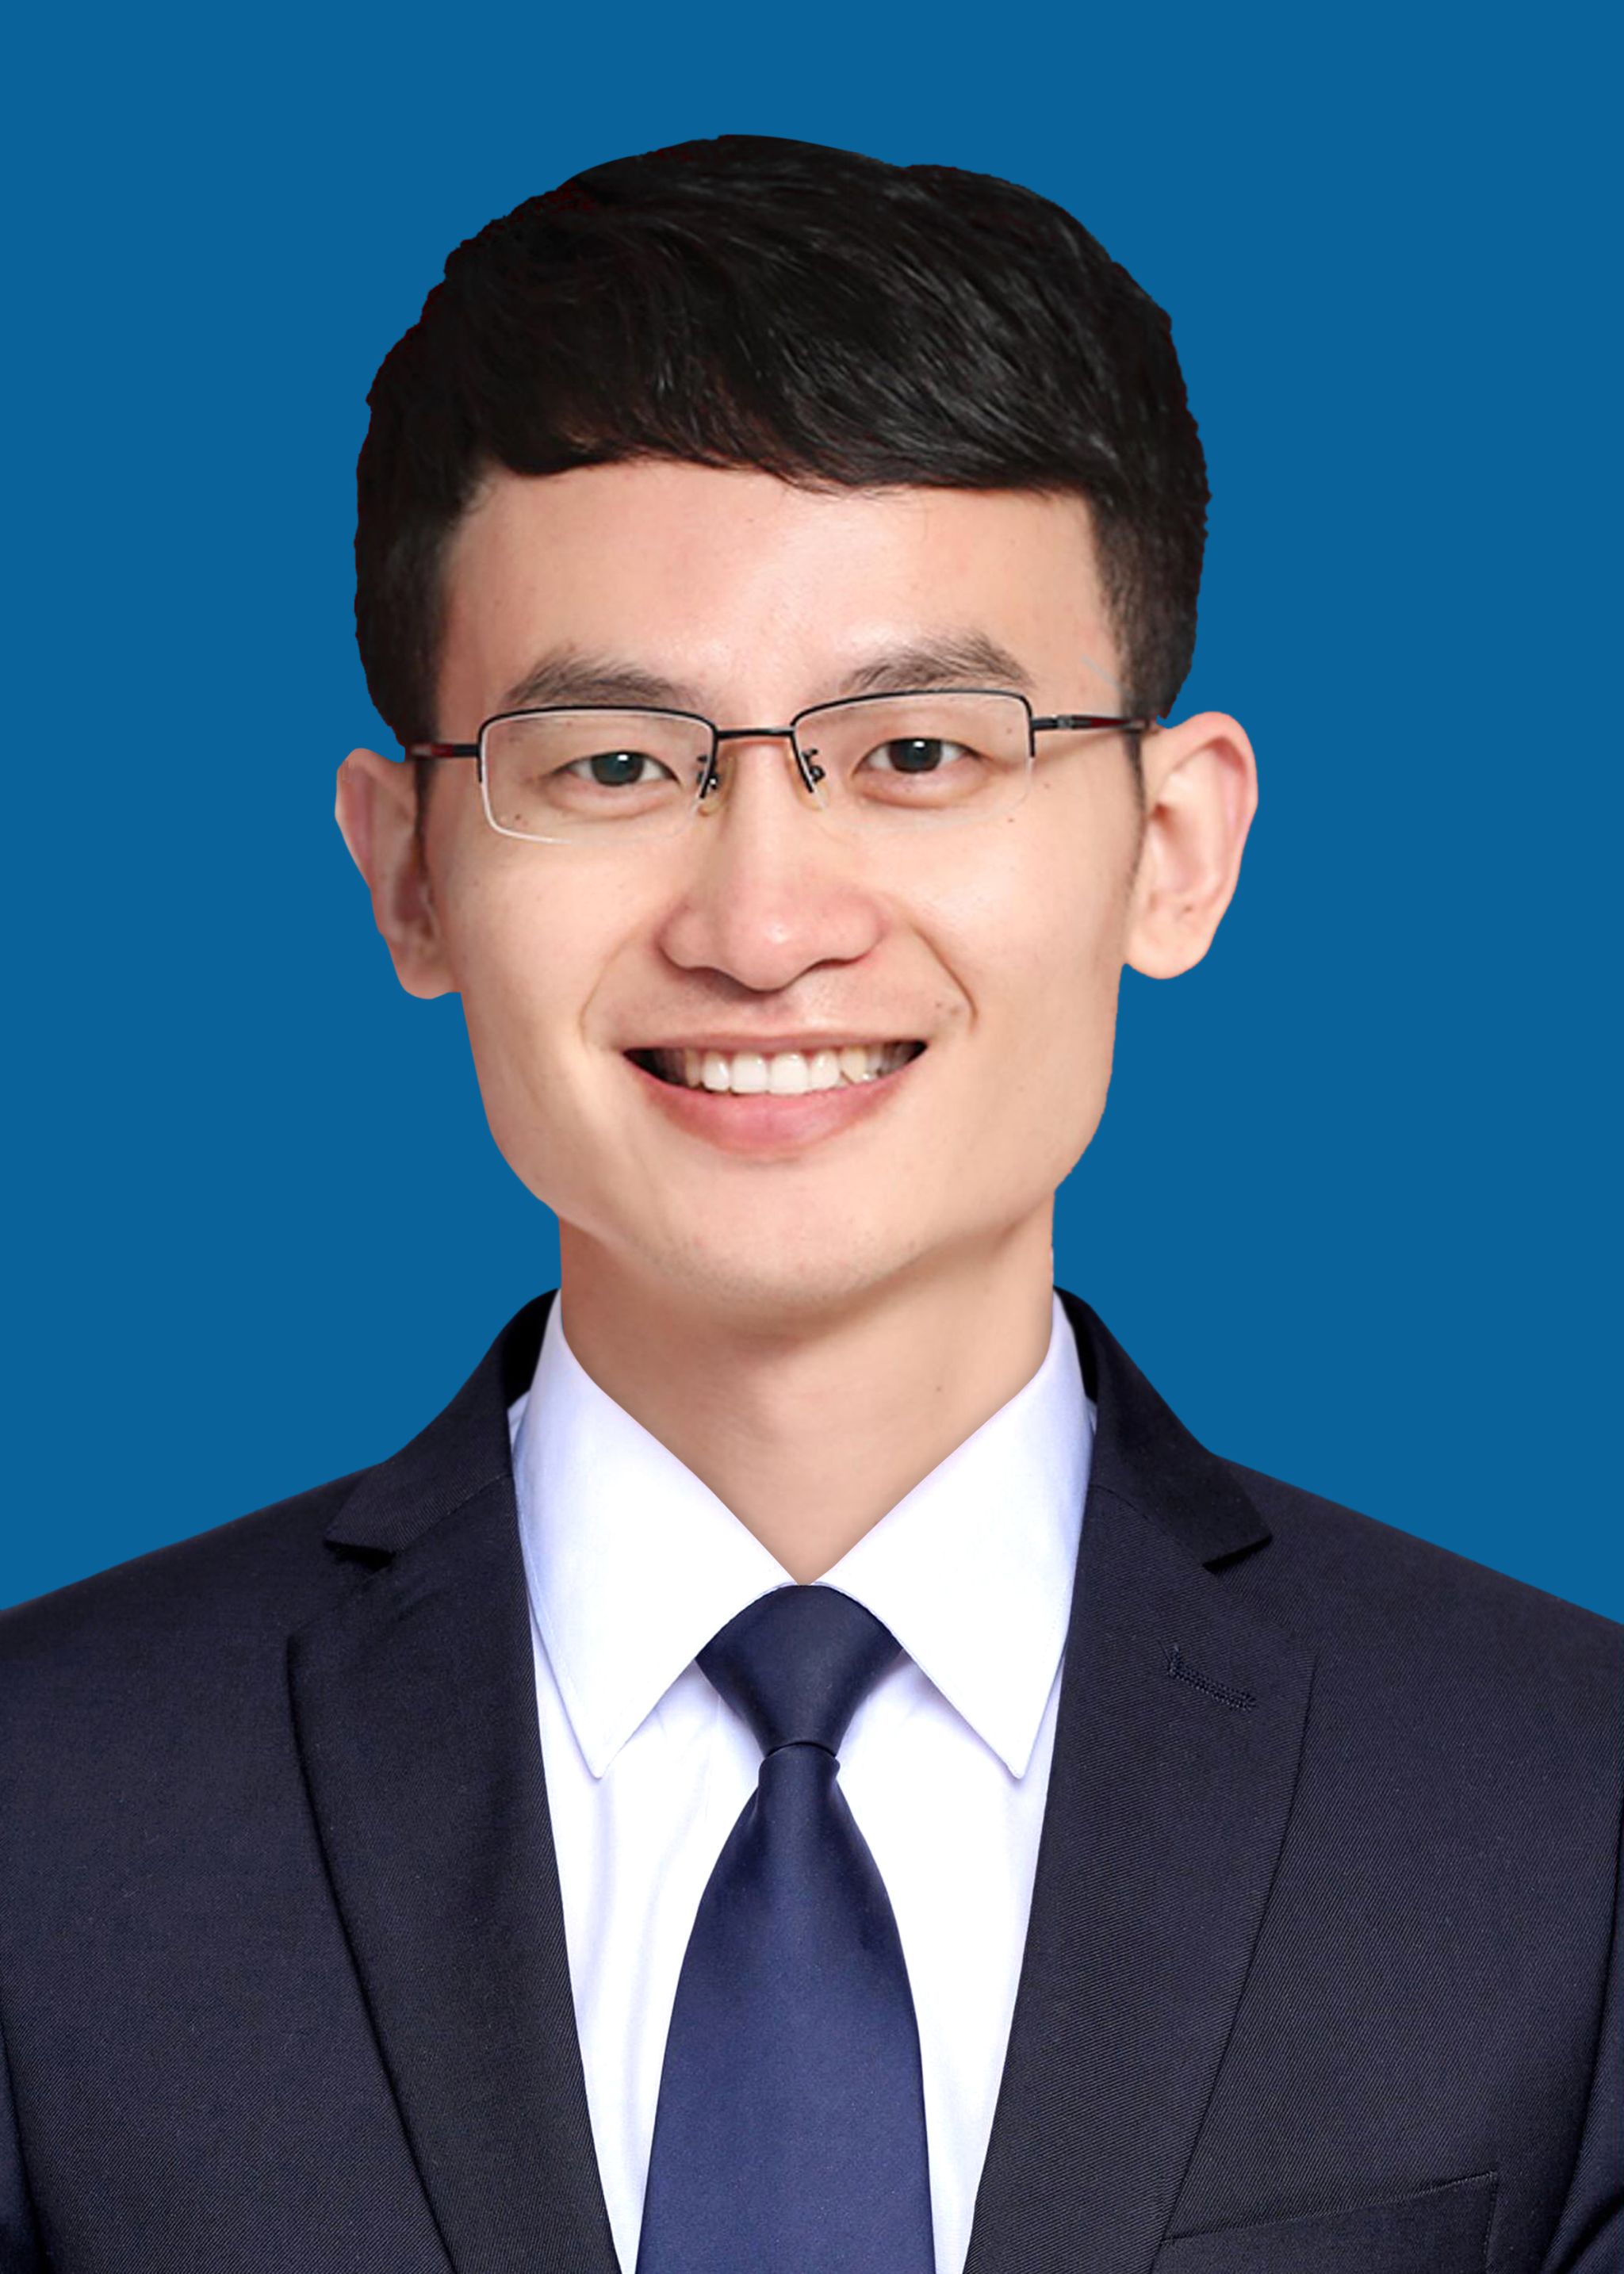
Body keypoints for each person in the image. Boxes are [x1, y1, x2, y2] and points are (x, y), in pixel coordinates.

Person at [0, 134, 1617, 2274]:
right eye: (613, 765)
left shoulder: (1565, 1807)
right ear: (409, 874)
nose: (764, 927)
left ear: (1176, 847)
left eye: (920, 753)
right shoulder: (44, 1812)